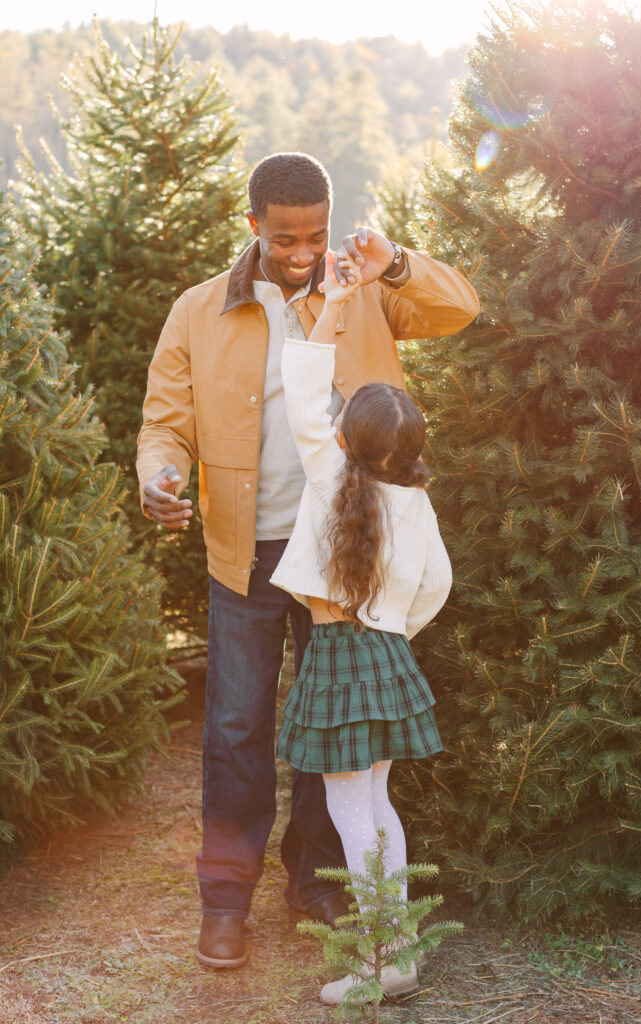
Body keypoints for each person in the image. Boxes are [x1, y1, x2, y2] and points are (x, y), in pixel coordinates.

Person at [136, 152, 479, 970]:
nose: (302, 252)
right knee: (234, 728)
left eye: (315, 235)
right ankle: (224, 898)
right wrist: (159, 478)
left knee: (335, 737)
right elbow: (163, 425)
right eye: (285, 237)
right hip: (245, 557)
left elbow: (459, 307)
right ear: (252, 225)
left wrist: (391, 261)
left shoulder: (361, 289)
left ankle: (317, 884)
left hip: (343, 568)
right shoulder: (195, 311)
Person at [271, 250, 452, 1004]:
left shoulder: (327, 475)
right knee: (376, 807)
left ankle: (384, 961)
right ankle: (397, 950)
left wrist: (337, 301)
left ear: (345, 438)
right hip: (386, 655)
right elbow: (436, 584)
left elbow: (303, 386)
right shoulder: (412, 499)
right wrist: (394, 630)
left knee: (355, 814)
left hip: (341, 657)